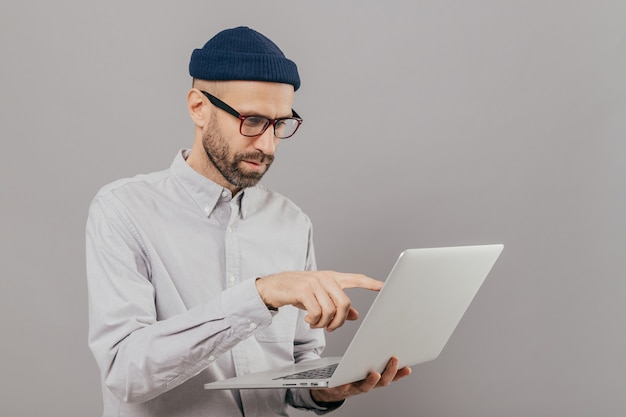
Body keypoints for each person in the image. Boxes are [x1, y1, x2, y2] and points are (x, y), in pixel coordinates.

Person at [86, 26, 411, 417]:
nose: (268, 144)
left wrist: (324, 390)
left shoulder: (291, 221)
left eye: (279, 124)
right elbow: (126, 373)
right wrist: (260, 295)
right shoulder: (123, 209)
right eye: (253, 121)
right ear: (198, 107)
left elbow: (297, 367)